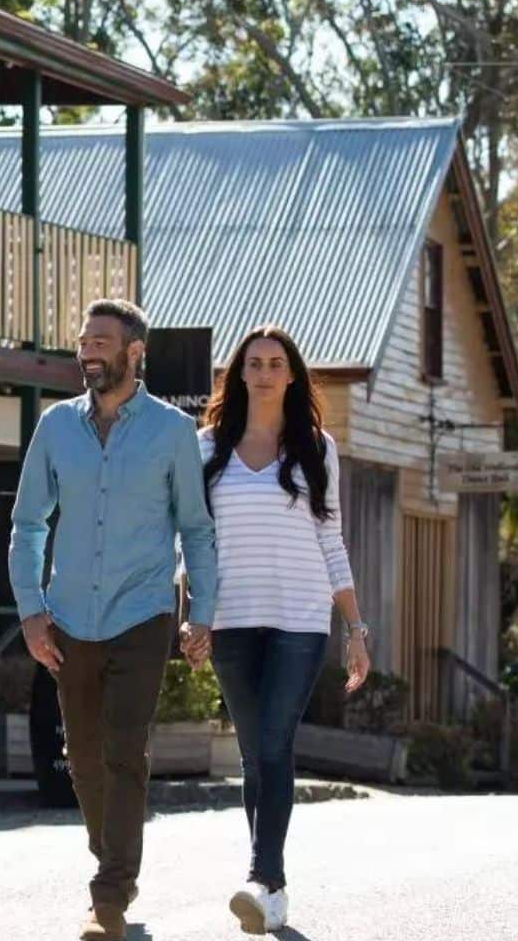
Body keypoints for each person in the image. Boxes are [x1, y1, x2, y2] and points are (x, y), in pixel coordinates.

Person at [9, 298, 220, 941]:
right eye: (82, 341)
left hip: (141, 612)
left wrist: (201, 612)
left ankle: (110, 897)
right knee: (83, 757)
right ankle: (114, 860)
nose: (87, 351)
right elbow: (28, 523)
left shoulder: (172, 433)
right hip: (69, 613)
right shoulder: (55, 427)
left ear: (135, 352)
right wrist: (31, 611)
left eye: (101, 341)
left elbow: (196, 530)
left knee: (125, 749)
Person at [178, 324, 372, 935]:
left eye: (275, 363)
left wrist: (355, 628)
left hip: (300, 617)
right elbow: (194, 540)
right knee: (255, 753)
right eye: (253, 362)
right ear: (239, 374)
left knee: (273, 744)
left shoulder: (317, 448)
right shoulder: (206, 448)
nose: (263, 372)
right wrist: (195, 615)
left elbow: (330, 540)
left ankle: (259, 876)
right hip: (232, 618)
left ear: (292, 376)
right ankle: (275, 891)